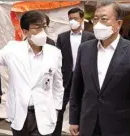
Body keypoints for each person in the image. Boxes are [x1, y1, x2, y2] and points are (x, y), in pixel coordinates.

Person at [69, 2, 130, 136]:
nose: (98, 24)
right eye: (95, 19)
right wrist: (73, 119)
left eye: (104, 19)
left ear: (118, 24)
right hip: (88, 123)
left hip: (119, 126)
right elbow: (77, 87)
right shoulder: (84, 48)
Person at [0, 10, 64, 136]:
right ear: (25, 32)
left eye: (44, 27)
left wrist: (56, 110)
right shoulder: (13, 49)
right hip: (19, 115)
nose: (42, 32)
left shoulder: (54, 53)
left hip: (44, 115)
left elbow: (58, 85)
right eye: (37, 28)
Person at [52, 7, 95, 136]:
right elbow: (57, 58)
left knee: (83, 108)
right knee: (59, 108)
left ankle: (81, 132)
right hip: (66, 78)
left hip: (83, 78)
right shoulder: (62, 37)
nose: (72, 21)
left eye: (75, 19)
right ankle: (55, 133)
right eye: (70, 19)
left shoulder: (91, 37)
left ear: (82, 19)